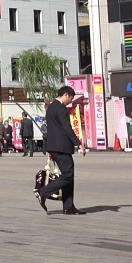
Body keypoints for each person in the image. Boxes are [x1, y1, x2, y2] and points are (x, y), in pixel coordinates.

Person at [35, 85, 86, 215]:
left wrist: (50, 149)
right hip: (62, 147)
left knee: (68, 176)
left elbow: (52, 129)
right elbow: (67, 127)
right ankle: (43, 192)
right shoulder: (61, 108)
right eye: (71, 98)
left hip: (55, 146)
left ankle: (68, 207)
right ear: (66, 95)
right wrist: (78, 143)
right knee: (68, 175)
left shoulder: (51, 107)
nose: (70, 101)